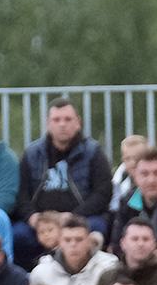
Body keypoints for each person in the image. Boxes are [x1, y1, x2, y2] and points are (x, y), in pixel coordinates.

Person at [12, 97, 114, 258]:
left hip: (81, 218)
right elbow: (20, 192)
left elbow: (103, 192)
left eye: (67, 119)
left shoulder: (93, 152)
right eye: (56, 119)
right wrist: (32, 217)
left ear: (78, 122)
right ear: (48, 123)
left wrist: (74, 216)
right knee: (18, 235)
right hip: (41, 222)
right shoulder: (32, 153)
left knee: (97, 228)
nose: (62, 124)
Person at [30, 213, 119, 285]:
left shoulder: (107, 268)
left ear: (89, 241)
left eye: (79, 240)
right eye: (67, 240)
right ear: (60, 242)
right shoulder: (41, 272)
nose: (73, 245)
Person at [108, 134, 149, 216]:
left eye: (138, 158)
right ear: (123, 160)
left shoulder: (152, 181)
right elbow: (114, 208)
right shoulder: (119, 180)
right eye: (128, 158)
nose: (133, 163)